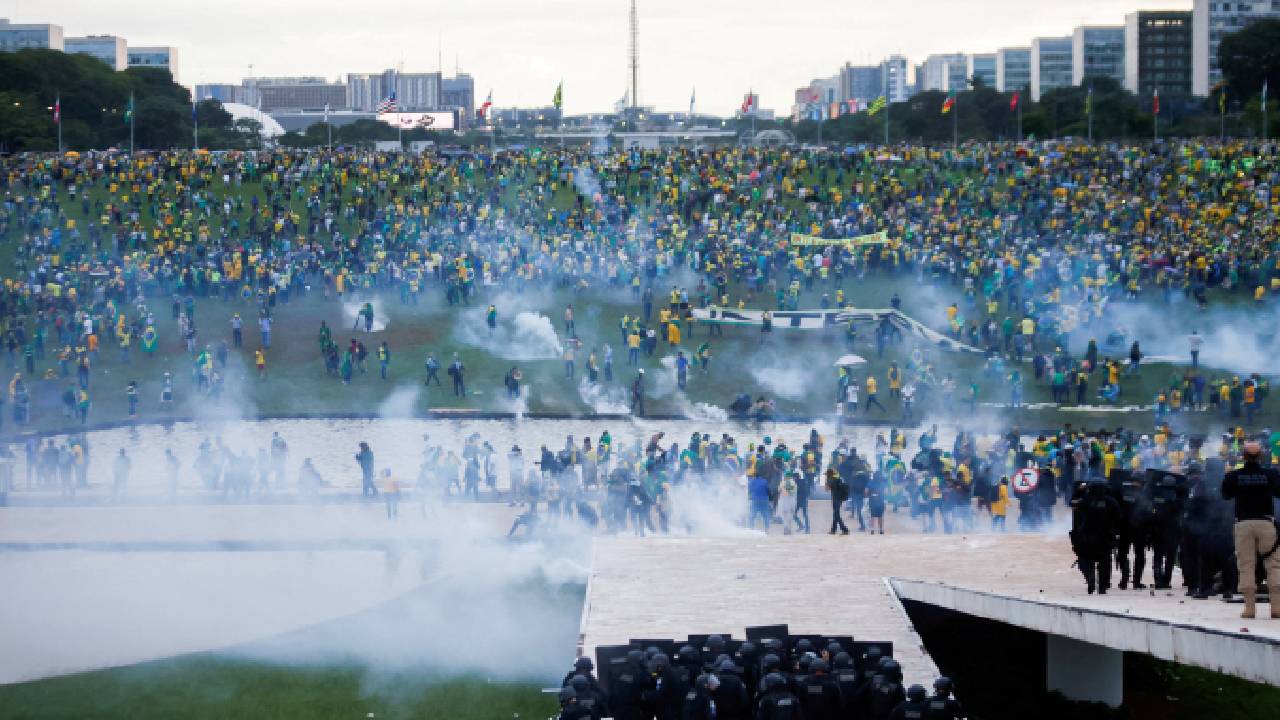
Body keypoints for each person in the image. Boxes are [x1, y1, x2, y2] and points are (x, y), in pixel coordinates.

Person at [1221, 441, 1280, 618]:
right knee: (1274, 565)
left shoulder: (1234, 476)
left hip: (1243, 524)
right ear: (1261, 456)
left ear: (1243, 456)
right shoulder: (1270, 474)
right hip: (1266, 523)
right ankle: (1276, 608)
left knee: (1246, 565)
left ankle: (1249, 608)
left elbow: (1225, 495)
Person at [1070, 478, 1121, 594]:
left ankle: (1090, 576)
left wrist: (1078, 490)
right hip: (1105, 537)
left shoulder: (1085, 501)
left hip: (1087, 537)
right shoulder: (1111, 502)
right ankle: (1102, 586)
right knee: (1105, 563)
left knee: (1086, 560)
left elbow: (1073, 504)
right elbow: (1118, 518)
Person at [826, 467, 849, 535]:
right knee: (835, 514)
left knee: (836, 515)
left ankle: (845, 529)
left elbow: (826, 489)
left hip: (836, 499)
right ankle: (833, 530)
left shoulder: (831, 480)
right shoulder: (839, 478)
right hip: (840, 498)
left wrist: (826, 481)